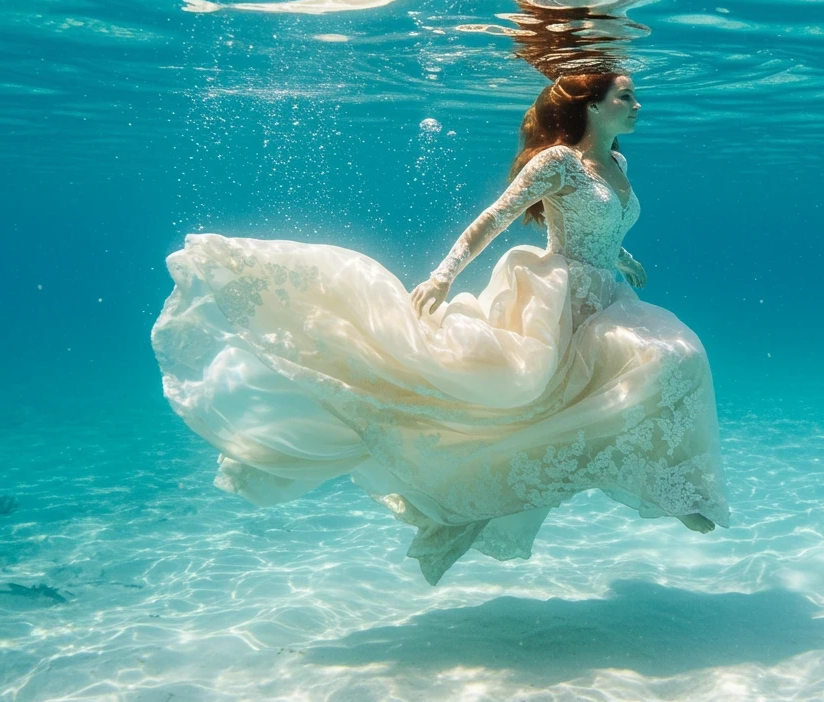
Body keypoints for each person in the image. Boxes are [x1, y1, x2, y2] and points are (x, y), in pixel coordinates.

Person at [152, 72, 731, 585]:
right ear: (591, 106)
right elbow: (495, 219)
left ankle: (666, 485)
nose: (637, 103)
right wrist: (443, 277)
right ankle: (467, 484)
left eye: (633, 95)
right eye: (624, 95)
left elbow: (602, 225)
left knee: (668, 362)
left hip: (607, 295)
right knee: (531, 404)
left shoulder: (619, 163)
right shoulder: (557, 162)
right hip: (559, 302)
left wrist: (622, 260)